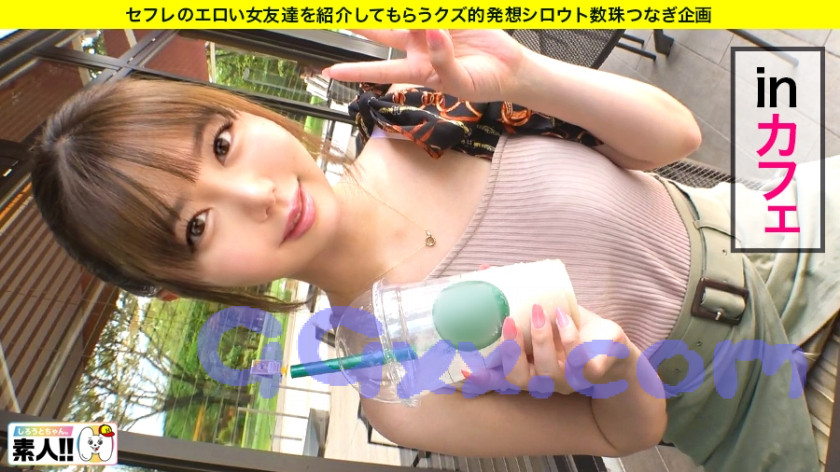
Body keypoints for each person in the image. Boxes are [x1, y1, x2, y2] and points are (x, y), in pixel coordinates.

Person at [30, 30, 837, 471]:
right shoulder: (394, 387)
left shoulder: (425, 114)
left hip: (766, 230)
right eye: (196, 228)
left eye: (222, 143)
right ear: (178, 283)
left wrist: (528, 76)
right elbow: (624, 434)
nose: (257, 194)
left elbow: (676, 137)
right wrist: (613, 366)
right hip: (748, 403)